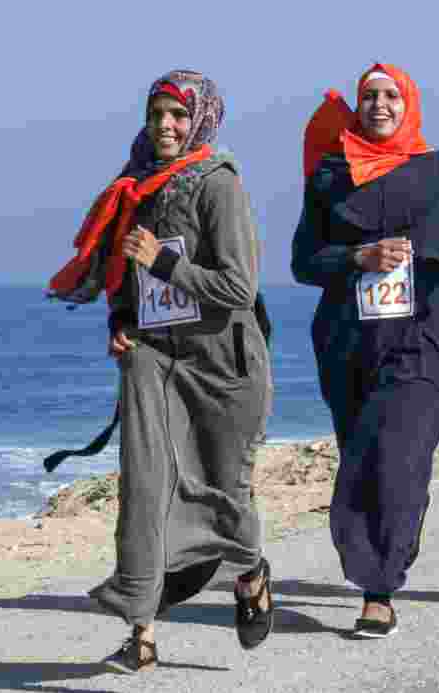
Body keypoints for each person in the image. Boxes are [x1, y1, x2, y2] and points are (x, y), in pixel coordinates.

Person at [48, 70, 274, 673]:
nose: (166, 126)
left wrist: (166, 263)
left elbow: (237, 287)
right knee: (146, 493)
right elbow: (128, 274)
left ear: (200, 119)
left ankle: (249, 571)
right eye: (156, 115)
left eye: (177, 115)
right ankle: (140, 634)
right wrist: (120, 319)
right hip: (154, 359)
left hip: (224, 366)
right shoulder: (136, 185)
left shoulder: (219, 186)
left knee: (223, 494)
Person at [292, 63, 439, 638]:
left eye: (392, 95)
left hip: (424, 339)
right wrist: (354, 259)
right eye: (370, 96)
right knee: (364, 461)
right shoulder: (331, 174)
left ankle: (378, 589)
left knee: (396, 458)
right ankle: (388, 548)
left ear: (409, 103)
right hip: (348, 342)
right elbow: (302, 261)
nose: (381, 104)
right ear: (358, 106)